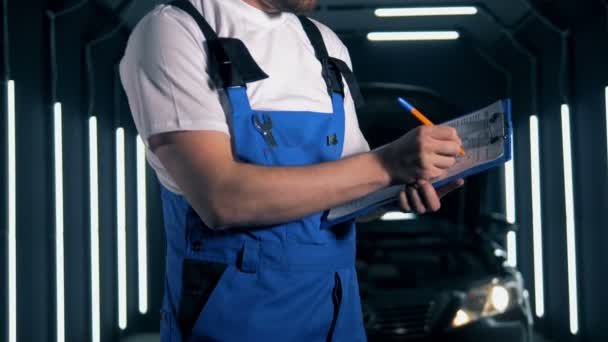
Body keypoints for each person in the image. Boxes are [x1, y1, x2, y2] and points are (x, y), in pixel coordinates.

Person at [119, 0, 464, 340]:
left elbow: (348, 195)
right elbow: (221, 199)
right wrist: (386, 165)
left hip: (336, 313)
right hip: (236, 317)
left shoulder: (323, 43)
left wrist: (394, 191)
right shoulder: (175, 30)